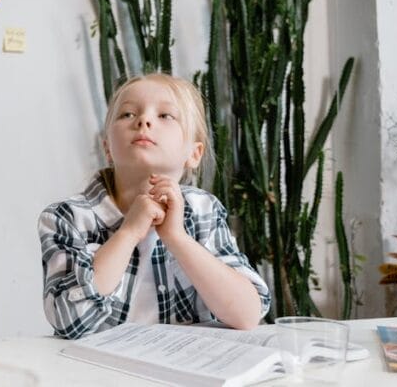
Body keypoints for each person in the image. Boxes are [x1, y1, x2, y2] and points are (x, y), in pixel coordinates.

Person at [38, 73, 270, 339]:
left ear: (194, 154)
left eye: (165, 116)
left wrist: (177, 237)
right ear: (108, 148)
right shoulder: (67, 217)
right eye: (127, 114)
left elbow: (248, 315)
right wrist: (128, 233)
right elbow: (68, 321)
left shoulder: (204, 209)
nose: (143, 121)